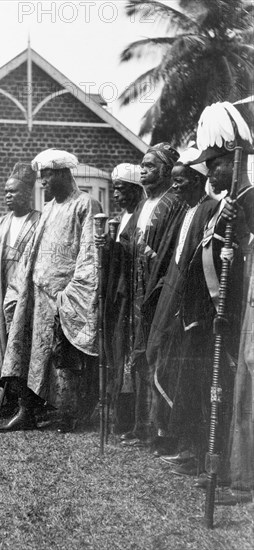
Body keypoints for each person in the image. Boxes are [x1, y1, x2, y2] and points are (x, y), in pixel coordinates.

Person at [0, 149, 102, 433]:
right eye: (41, 176)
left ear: (64, 174)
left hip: (64, 296)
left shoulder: (85, 204)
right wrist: (21, 287)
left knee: (63, 358)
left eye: (47, 176)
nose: (42, 182)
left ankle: (69, 414)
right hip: (36, 295)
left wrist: (71, 294)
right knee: (29, 351)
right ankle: (26, 411)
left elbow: (89, 253)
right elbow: (33, 250)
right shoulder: (50, 208)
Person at [178, 101, 254, 501]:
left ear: (231, 158)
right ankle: (229, 471)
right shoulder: (230, 201)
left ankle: (241, 479)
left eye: (213, 162)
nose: (209, 172)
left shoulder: (250, 199)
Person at [145, 149, 218, 463]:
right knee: (168, 365)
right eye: (172, 181)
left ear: (199, 180)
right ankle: (171, 438)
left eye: (181, 180)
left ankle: (192, 448)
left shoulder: (209, 209)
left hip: (194, 308)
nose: (175, 187)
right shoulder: (187, 211)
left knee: (190, 376)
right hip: (174, 300)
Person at [119, 143, 187, 449]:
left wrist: (149, 254)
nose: (144, 169)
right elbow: (130, 241)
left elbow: (172, 250)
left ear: (167, 171)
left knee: (154, 356)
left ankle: (161, 431)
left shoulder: (174, 204)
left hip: (157, 291)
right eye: (142, 165)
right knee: (137, 356)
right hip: (136, 290)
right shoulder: (144, 205)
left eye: (151, 165)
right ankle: (139, 425)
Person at [95, 163, 144, 434]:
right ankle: (117, 414)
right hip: (117, 294)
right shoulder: (122, 217)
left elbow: (132, 255)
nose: (116, 196)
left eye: (122, 190)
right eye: (114, 190)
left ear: (136, 191)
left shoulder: (139, 217)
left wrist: (113, 249)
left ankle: (128, 419)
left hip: (129, 296)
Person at [0, 162, 41, 411]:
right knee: (3, 336)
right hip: (2, 288)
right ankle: (8, 391)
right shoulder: (2, 222)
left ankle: (29, 397)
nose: (8, 196)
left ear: (27, 193)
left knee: (24, 340)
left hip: (27, 291)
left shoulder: (39, 221)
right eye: (6, 192)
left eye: (13, 192)